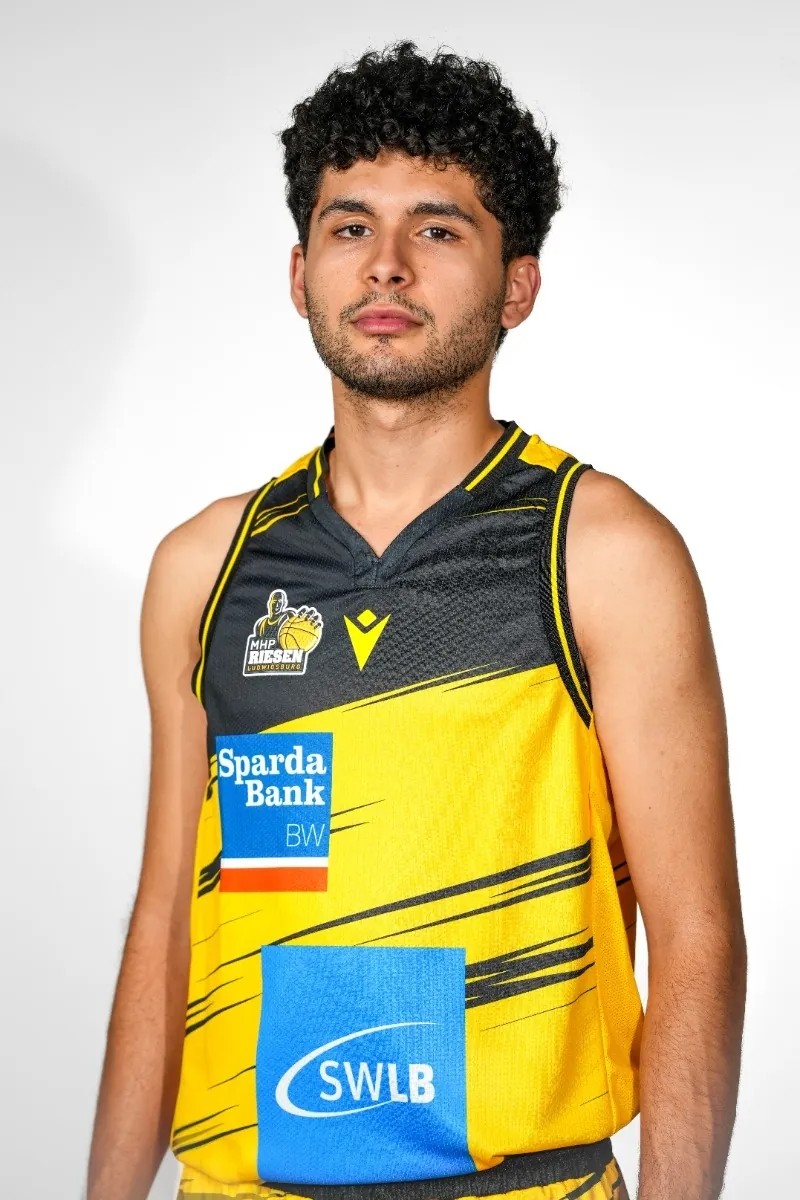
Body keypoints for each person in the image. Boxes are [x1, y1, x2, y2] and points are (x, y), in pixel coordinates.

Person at [87, 41, 747, 1200]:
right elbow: (164, 924)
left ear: (516, 285)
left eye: (437, 229)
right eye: (351, 227)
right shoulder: (206, 567)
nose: (385, 264)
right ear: (301, 272)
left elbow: (696, 936)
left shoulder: (601, 553)